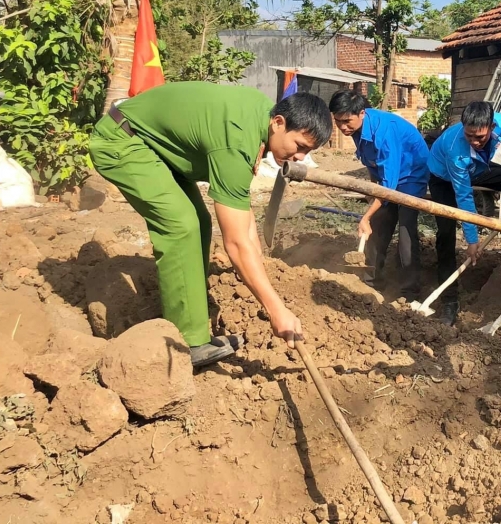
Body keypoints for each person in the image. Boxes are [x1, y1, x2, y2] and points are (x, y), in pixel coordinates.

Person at [89, 82, 331, 368]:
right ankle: (188, 342)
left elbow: (243, 215)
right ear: (279, 123)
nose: (301, 158)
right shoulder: (237, 141)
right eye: (300, 146)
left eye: (308, 151)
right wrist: (275, 308)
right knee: (181, 225)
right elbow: (236, 243)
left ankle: (190, 314)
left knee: (200, 223)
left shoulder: (259, 118)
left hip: (156, 148)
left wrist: (259, 272)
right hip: (123, 141)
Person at [427, 100, 501, 325]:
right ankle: (449, 301)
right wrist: (472, 240)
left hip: (478, 166)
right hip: (444, 177)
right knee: (446, 232)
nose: (475, 141)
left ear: (491, 126)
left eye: (480, 137)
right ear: (463, 127)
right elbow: (464, 198)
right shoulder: (455, 150)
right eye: (469, 136)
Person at [329, 90, 430, 298]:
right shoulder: (356, 130)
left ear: (362, 113)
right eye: (338, 121)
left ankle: (409, 292)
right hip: (388, 178)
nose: (342, 127)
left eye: (347, 121)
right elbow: (373, 165)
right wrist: (372, 198)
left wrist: (366, 215)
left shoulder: (384, 133)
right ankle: (371, 283)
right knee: (379, 223)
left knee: (405, 227)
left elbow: (389, 187)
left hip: (411, 173)